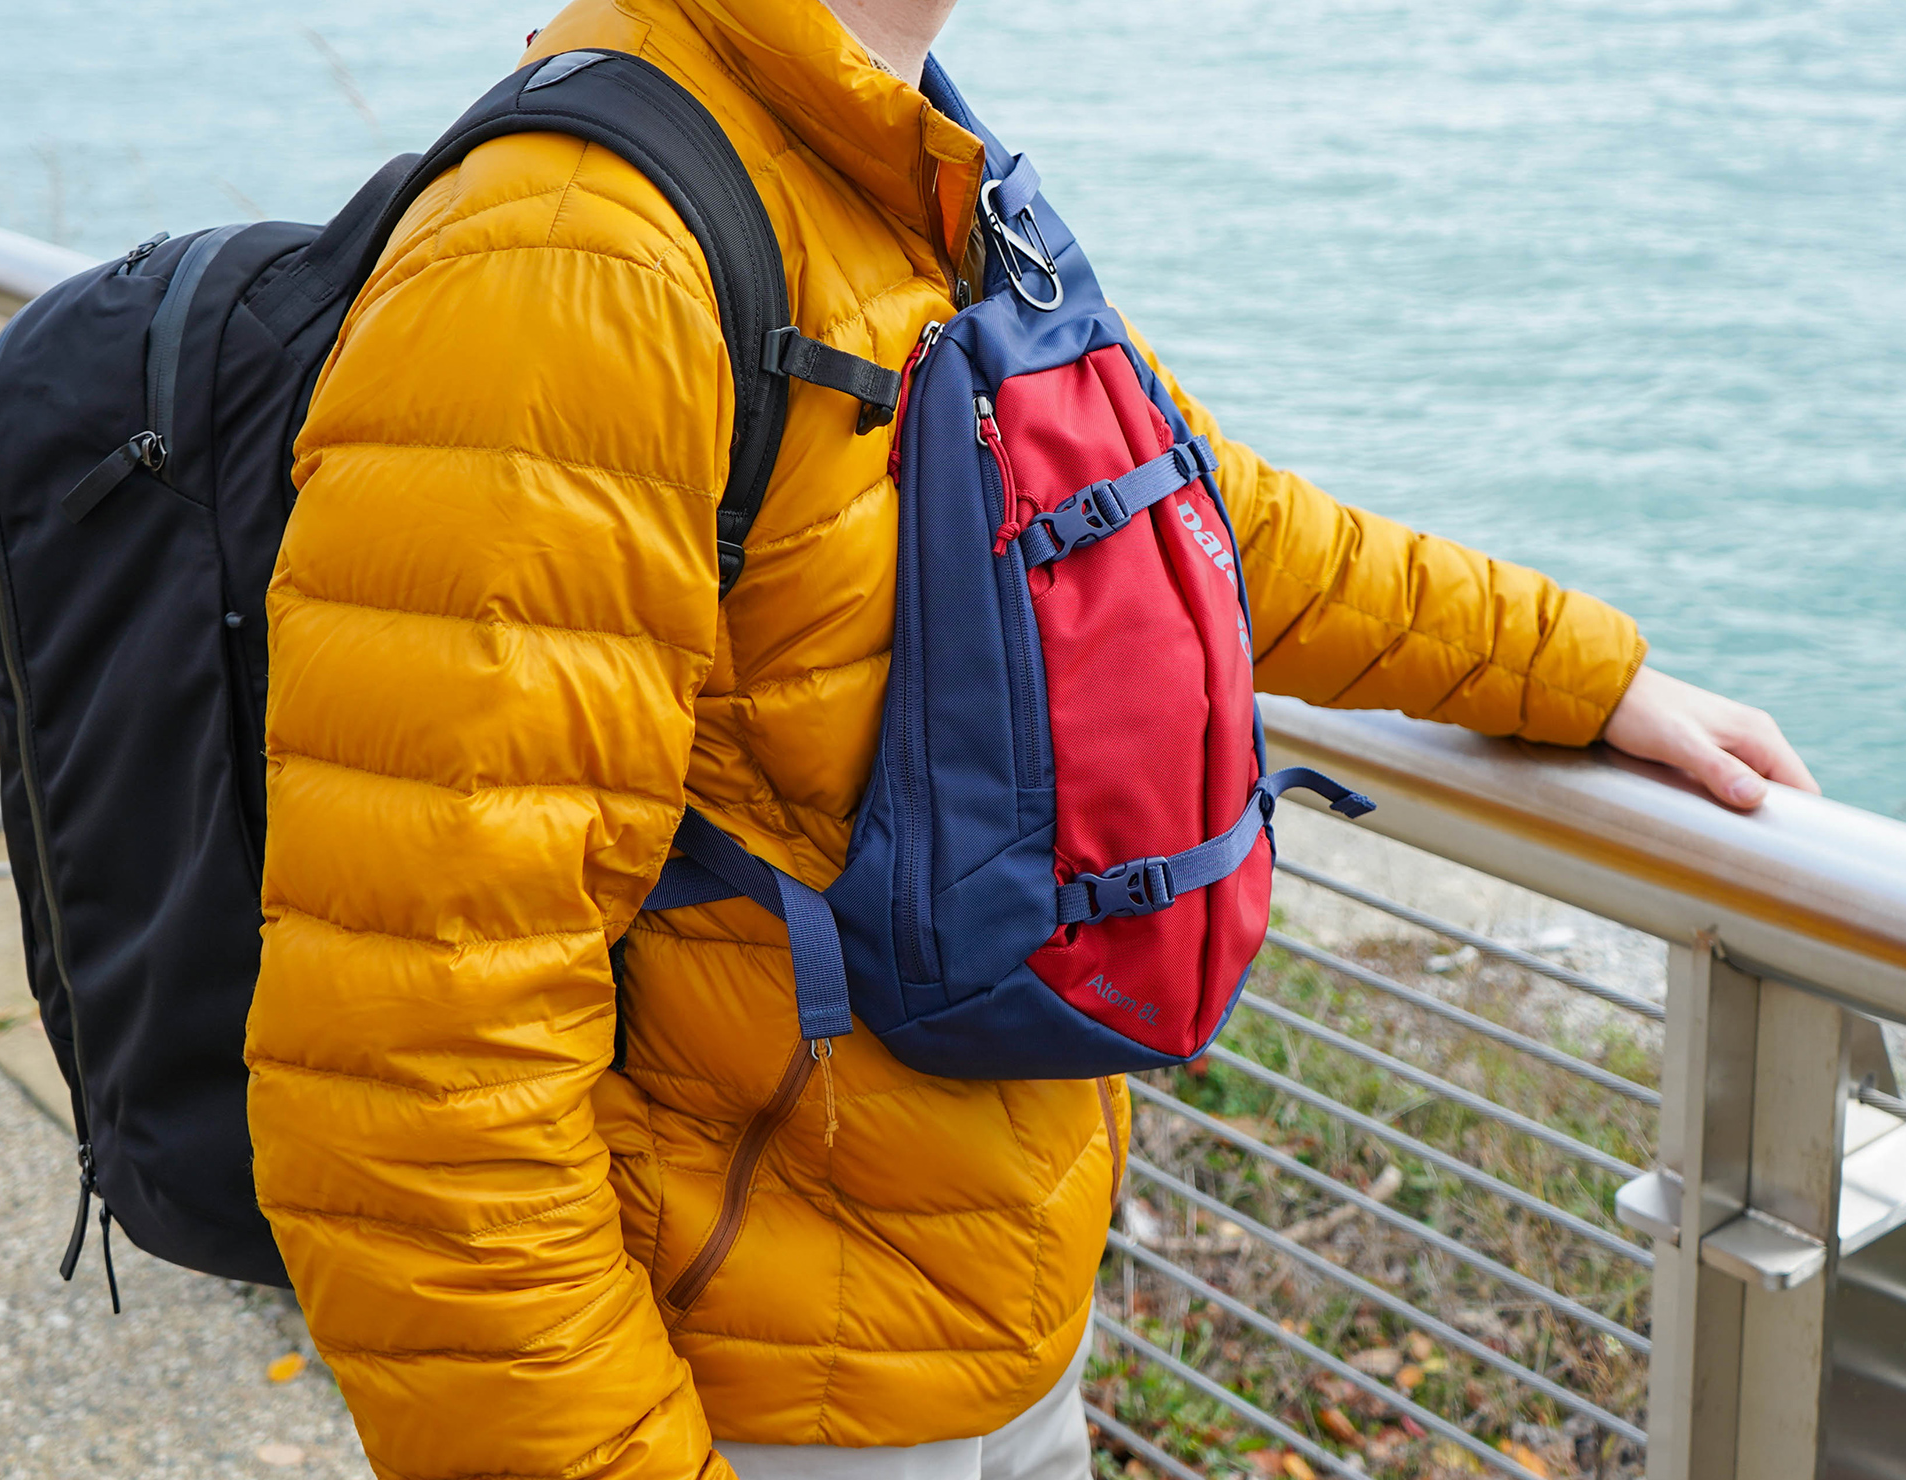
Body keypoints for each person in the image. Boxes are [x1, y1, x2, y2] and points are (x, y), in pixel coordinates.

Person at [242, 2, 1817, 1477]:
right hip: (759, 1383)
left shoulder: (904, 161)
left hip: (980, 1324)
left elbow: (1183, 515)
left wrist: (1582, 678)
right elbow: (416, 1067)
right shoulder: (579, 259)